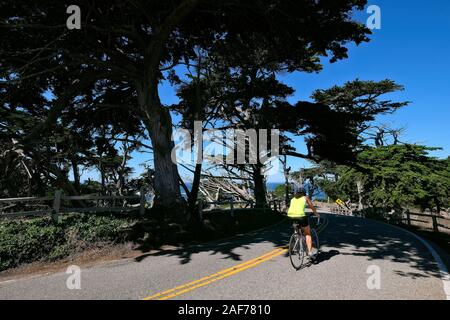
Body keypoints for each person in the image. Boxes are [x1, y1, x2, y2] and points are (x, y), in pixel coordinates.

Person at [287, 189, 320, 255]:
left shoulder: (293, 199)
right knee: (307, 233)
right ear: (304, 193)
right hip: (301, 216)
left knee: (297, 227)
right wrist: (316, 214)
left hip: (290, 216)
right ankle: (310, 252)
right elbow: (311, 206)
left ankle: (296, 236)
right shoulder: (305, 198)